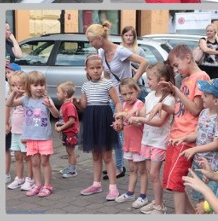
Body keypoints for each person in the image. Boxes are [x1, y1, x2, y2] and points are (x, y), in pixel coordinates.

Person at [86, 21, 149, 179]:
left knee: (120, 133)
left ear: (100, 38)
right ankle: (120, 165)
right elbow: (106, 75)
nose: (90, 43)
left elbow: (144, 62)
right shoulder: (101, 54)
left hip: (125, 99)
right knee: (116, 131)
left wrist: (132, 82)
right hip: (113, 98)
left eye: (91, 40)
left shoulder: (120, 51)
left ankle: (121, 167)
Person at [153, 44, 209, 214]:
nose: (176, 70)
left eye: (177, 65)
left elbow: (195, 109)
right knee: (172, 182)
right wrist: (163, 106)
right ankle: (193, 214)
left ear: (188, 58)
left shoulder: (202, 77)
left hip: (186, 137)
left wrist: (177, 92)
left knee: (177, 182)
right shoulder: (186, 80)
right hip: (176, 135)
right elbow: (180, 110)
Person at [72, 54, 123, 200]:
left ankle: (113, 187)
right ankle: (96, 184)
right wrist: (76, 103)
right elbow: (84, 106)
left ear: (102, 68)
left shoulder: (108, 84)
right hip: (91, 120)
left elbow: (118, 102)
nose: (95, 71)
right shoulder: (85, 86)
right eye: (92, 68)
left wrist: (118, 117)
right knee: (95, 155)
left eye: (98, 67)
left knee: (107, 155)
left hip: (104, 119)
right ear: (86, 70)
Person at [178, 78, 218, 213]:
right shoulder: (203, 113)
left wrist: (195, 149)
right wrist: (183, 138)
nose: (201, 97)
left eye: (206, 95)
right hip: (199, 163)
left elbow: (216, 143)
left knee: (208, 199)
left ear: (216, 101)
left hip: (212, 166)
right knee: (200, 197)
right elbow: (198, 133)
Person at [130, 62, 176, 214]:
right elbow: (143, 112)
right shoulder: (150, 96)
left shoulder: (168, 100)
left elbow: (160, 121)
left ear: (161, 79)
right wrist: (134, 114)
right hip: (147, 140)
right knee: (151, 173)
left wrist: (141, 120)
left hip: (159, 142)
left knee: (155, 174)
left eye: (150, 79)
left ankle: (159, 207)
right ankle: (157, 201)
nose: (147, 82)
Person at [7, 70, 60, 197]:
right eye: (35, 85)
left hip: (44, 137)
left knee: (44, 162)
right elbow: (9, 104)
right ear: (28, 87)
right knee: (35, 163)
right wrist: (14, 92)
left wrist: (50, 106)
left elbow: (57, 115)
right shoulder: (25, 99)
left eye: (41, 85)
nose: (39, 88)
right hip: (30, 138)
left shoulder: (46, 99)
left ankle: (47, 186)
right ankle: (37, 185)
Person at [112, 79, 148, 209]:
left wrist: (123, 114)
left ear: (137, 91)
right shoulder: (124, 105)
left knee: (142, 171)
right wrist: (117, 125)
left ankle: (143, 196)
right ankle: (130, 193)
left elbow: (138, 122)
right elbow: (122, 126)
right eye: (124, 94)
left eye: (130, 93)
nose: (128, 97)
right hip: (128, 143)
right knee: (132, 169)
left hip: (139, 144)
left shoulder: (139, 105)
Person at [6, 70, 34, 190]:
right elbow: (8, 106)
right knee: (17, 156)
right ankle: (19, 177)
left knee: (27, 156)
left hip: (25, 132)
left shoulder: (26, 98)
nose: (16, 88)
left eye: (19, 85)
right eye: (13, 85)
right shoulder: (12, 98)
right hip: (15, 132)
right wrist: (7, 123)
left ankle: (30, 179)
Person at [55, 80, 80, 179]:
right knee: (68, 151)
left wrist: (61, 127)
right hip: (67, 132)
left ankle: (72, 170)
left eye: (58, 92)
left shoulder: (69, 106)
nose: (57, 94)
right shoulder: (65, 105)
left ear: (65, 94)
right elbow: (64, 118)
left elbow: (71, 121)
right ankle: (70, 167)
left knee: (71, 152)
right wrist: (59, 123)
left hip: (71, 133)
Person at [120, 25, 148, 98]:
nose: (128, 37)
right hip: (122, 82)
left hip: (137, 83)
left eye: (130, 35)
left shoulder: (139, 50)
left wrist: (138, 70)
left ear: (134, 37)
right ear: (123, 36)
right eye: (126, 35)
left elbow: (146, 66)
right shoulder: (119, 50)